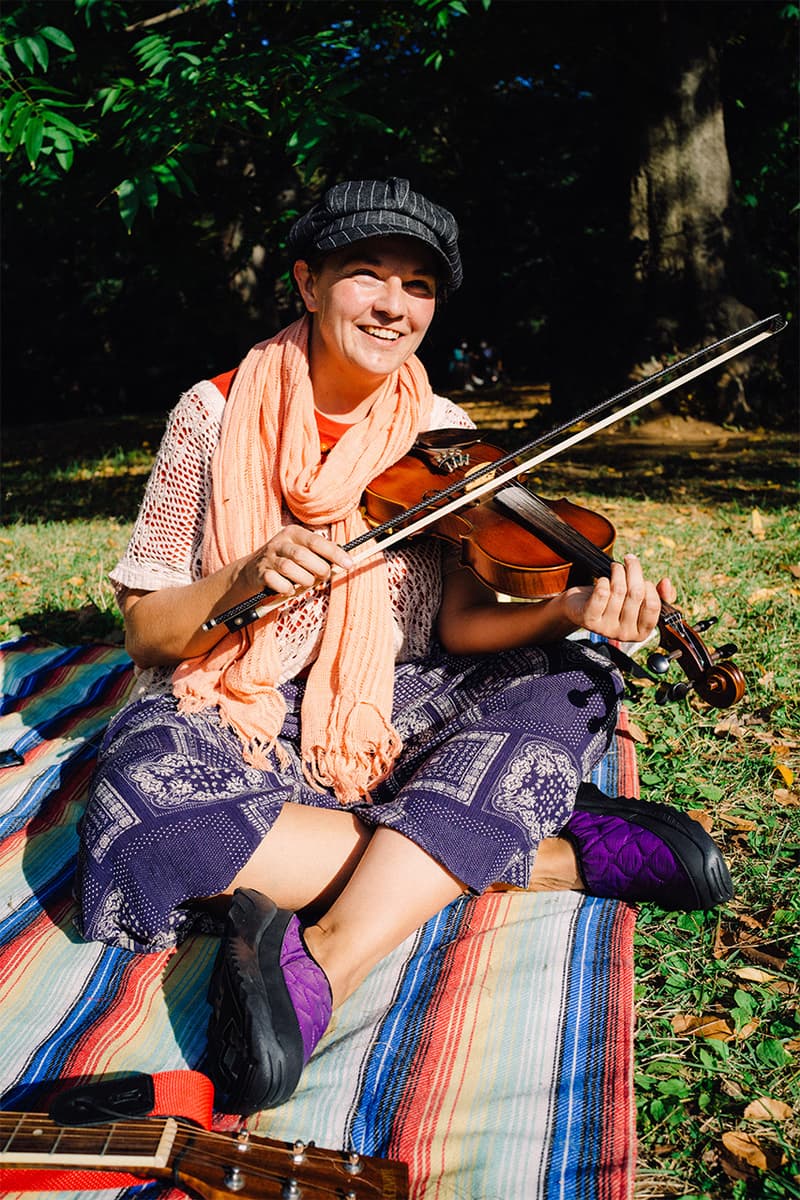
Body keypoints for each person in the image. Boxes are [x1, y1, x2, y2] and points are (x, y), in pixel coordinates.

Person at [75, 178, 732, 1116]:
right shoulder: (212, 416)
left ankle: (328, 953)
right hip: (241, 709)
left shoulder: (444, 437)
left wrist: (572, 609)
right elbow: (146, 634)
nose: (394, 304)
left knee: (571, 685)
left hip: (402, 698)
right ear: (307, 283)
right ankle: (552, 849)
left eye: (419, 285)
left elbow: (464, 627)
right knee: (142, 822)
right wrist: (243, 575)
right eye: (366, 275)